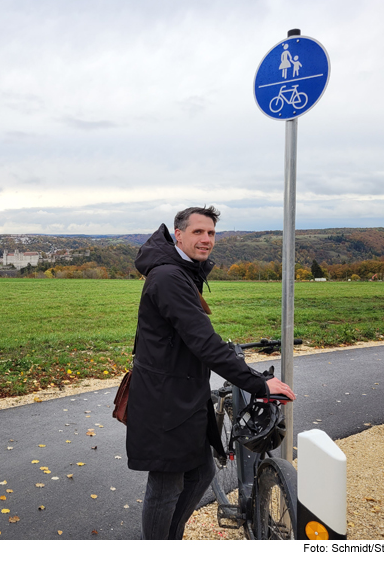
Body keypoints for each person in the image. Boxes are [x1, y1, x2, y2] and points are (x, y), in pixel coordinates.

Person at [126, 206, 295, 540]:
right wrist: (257, 382)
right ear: (178, 234)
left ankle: (170, 536)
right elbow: (202, 341)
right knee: (166, 484)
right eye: (198, 232)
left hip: (182, 395)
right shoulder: (169, 277)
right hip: (164, 400)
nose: (206, 240)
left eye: (211, 233)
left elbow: (191, 339)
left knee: (200, 471)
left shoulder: (183, 271)